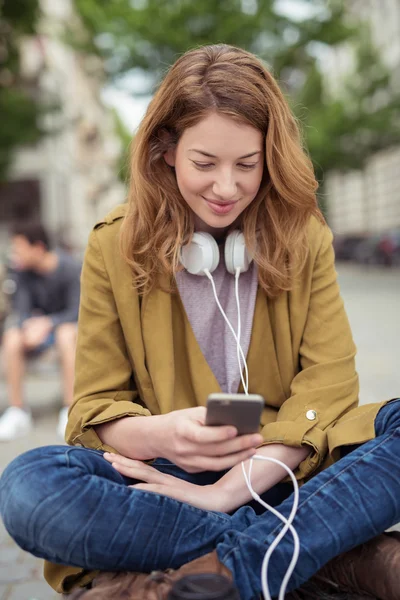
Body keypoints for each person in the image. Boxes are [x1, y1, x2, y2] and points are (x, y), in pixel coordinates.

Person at [0, 44, 399, 600]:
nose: (227, 187)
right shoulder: (113, 245)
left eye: (247, 164)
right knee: (29, 490)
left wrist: (230, 490)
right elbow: (92, 406)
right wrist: (161, 434)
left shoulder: (304, 236)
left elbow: (330, 385)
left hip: (285, 475)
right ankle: (329, 556)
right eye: (205, 164)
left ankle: (218, 571)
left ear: (270, 155)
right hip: (165, 482)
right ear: (166, 150)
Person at [0, 221, 81, 441]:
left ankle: (69, 408)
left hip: (65, 330)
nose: (14, 253)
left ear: (37, 248)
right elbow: (22, 310)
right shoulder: (21, 273)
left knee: (66, 333)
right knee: (12, 336)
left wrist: (48, 323)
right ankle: (18, 411)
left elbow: (78, 310)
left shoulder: (70, 268)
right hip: (38, 332)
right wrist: (29, 327)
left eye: (19, 247)